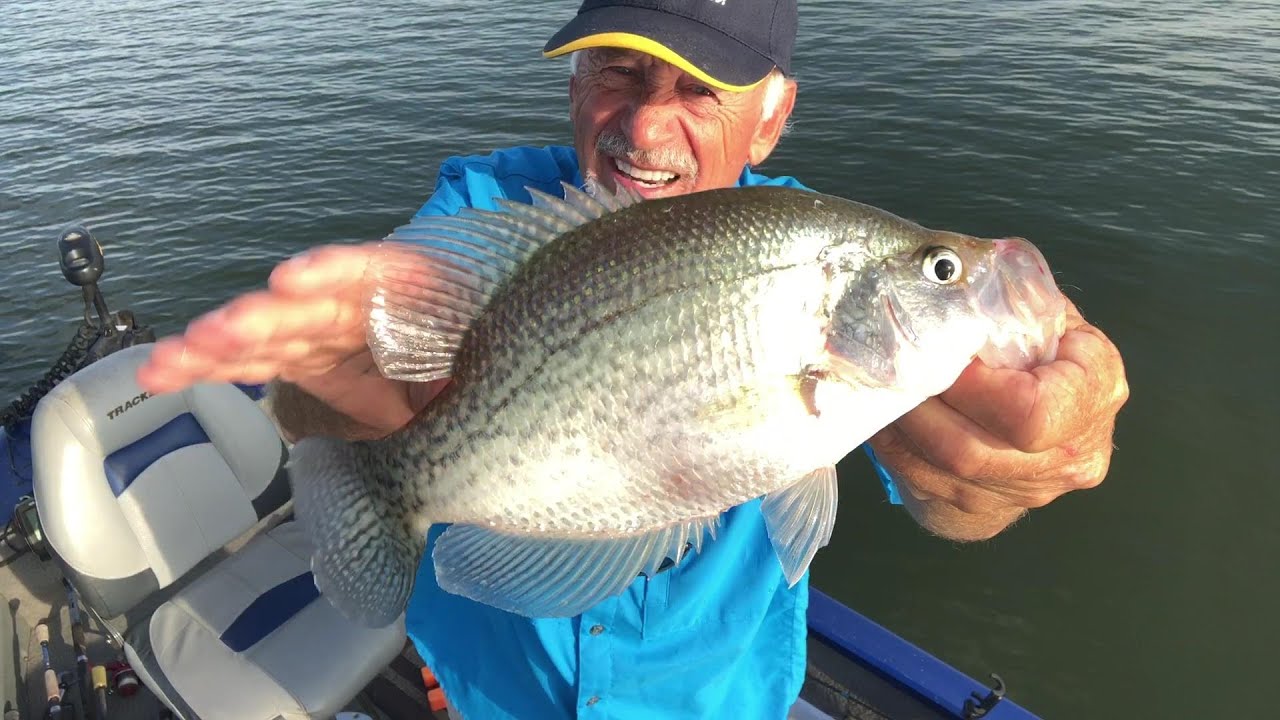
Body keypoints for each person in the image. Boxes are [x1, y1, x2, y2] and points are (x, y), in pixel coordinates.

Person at [137, 0, 1129, 717]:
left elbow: (957, 500)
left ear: (773, 113)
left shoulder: (816, 264)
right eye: (617, 70)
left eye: (700, 87)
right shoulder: (484, 211)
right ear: (574, 79)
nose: (647, 127)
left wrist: (988, 480)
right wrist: (327, 383)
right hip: (495, 696)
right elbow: (346, 382)